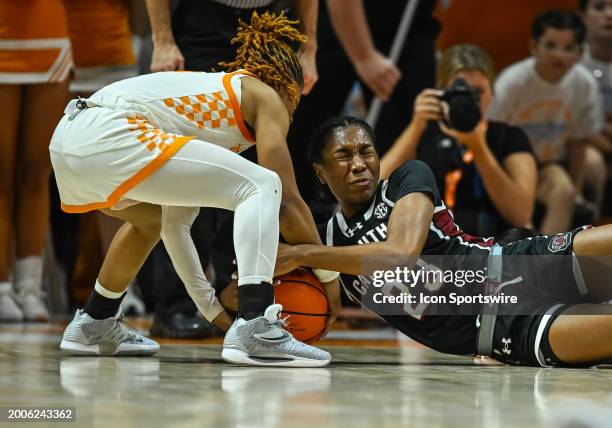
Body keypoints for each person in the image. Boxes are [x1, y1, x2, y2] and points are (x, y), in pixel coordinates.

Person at [51, 12, 339, 366]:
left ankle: (94, 322)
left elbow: (176, 225)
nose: (290, 117)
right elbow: (288, 203)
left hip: (70, 140)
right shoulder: (265, 94)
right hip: (112, 129)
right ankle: (256, 324)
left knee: (151, 220)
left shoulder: (209, 114)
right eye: (295, 104)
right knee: (263, 184)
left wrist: (213, 310)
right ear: (285, 85)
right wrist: (329, 276)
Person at [277, 116, 612, 367]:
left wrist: (303, 254)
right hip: (502, 329)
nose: (359, 164)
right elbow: (295, 299)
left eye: (367, 151)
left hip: (519, 265)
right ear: (320, 171)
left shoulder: (406, 179)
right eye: (344, 155)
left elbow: (401, 254)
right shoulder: (325, 242)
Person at [144, 0, 319, 339]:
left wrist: (309, 45)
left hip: (273, 18)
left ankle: (240, 299)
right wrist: (162, 39)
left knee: (261, 166)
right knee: (191, 169)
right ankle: (175, 305)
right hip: (203, 22)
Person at [287, 0, 440, 204]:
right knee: (304, 130)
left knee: (417, 131)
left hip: (407, 24)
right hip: (338, 23)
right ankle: (302, 218)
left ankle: (398, 215)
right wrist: (364, 56)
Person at [381, 44, 537, 237]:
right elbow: (372, 194)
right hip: (430, 251)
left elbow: (520, 215)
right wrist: (415, 127)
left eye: (478, 91)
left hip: (492, 250)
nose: (470, 100)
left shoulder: (509, 136)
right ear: (440, 92)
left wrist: (478, 148)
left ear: (492, 92)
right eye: (460, 91)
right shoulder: (423, 135)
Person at [489, 10, 603, 235]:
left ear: (580, 52)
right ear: (534, 46)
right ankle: (520, 259)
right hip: (508, 164)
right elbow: (491, 136)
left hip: (546, 164)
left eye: (568, 48)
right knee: (522, 210)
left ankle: (546, 261)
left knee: (565, 193)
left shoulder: (584, 85)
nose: (558, 55)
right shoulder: (512, 83)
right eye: (550, 45)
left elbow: (578, 143)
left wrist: (578, 190)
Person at [0, 0, 71, 322]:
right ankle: (1, 287)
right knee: (1, 173)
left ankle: (29, 287)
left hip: (49, 35)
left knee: (36, 171)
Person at [580, 0, 612, 214]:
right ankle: (599, 225)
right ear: (582, 15)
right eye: (599, 7)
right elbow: (573, 121)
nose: (609, 15)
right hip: (583, 139)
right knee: (592, 162)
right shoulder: (571, 59)